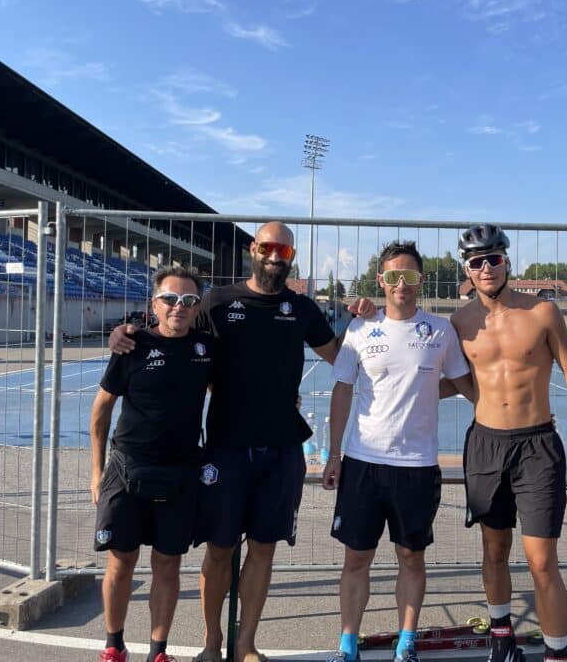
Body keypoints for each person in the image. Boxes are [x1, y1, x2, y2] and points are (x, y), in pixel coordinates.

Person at [108, 221, 372, 662]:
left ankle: (245, 643)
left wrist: (367, 320)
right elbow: (178, 337)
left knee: (263, 549)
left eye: (284, 251)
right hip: (226, 447)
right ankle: (212, 642)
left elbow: (338, 355)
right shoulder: (217, 301)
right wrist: (129, 331)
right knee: (219, 549)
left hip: (282, 448)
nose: (274, 256)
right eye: (268, 247)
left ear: (291, 257)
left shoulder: (301, 308)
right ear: (254, 249)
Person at [449, 224, 567, 662]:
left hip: (537, 446)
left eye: (494, 258)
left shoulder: (542, 312)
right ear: (467, 271)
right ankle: (501, 638)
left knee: (541, 560)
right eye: (477, 261)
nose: (487, 267)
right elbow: (448, 380)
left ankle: (555, 654)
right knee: (494, 549)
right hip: (486, 445)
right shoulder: (459, 323)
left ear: (507, 261)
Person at [322, 241, 474, 662]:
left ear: (420, 280)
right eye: (393, 276)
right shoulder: (359, 328)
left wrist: (511, 407)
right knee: (357, 558)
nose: (401, 284)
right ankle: (347, 645)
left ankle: (406, 644)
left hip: (416, 467)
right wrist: (334, 454)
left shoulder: (440, 331)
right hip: (363, 462)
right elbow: (343, 389)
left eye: (409, 276)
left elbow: (462, 384)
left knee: (411, 557)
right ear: (380, 281)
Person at [91, 267, 216, 662]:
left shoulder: (206, 350)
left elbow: (232, 391)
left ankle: (157, 652)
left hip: (181, 473)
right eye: (170, 299)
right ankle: (114, 645)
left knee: (167, 565)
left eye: (188, 301)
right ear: (154, 304)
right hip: (128, 468)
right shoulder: (132, 346)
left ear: (197, 308)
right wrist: (96, 473)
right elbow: (101, 412)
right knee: (121, 561)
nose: (178, 307)